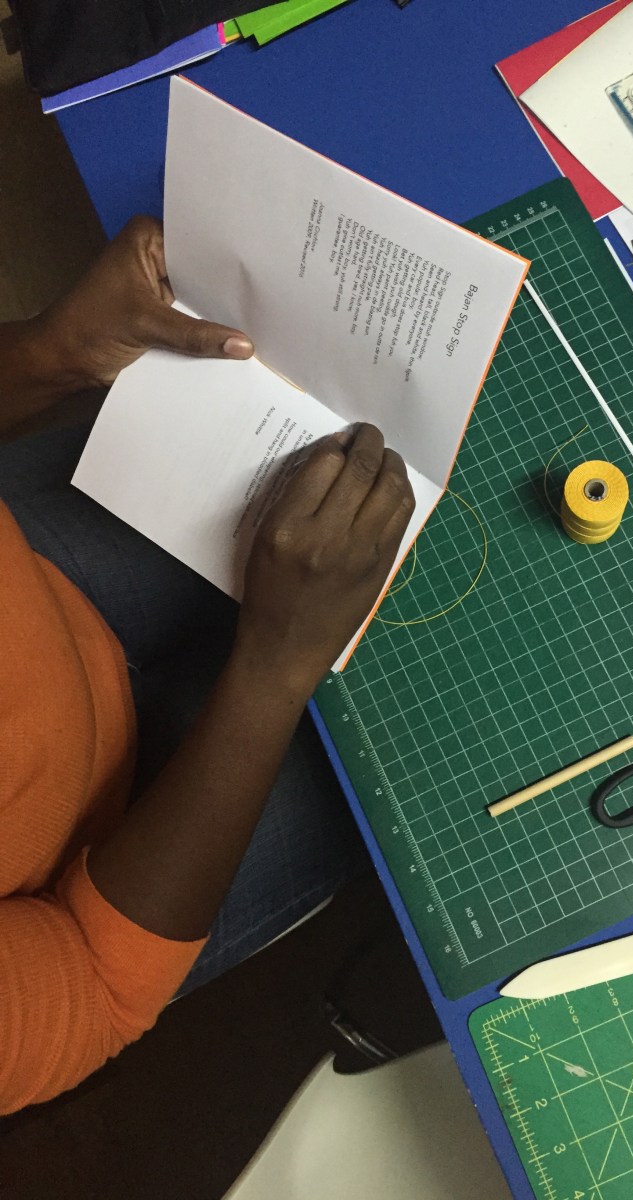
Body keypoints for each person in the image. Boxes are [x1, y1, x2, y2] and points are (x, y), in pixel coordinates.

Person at [0, 216, 414, 1115]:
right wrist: (275, 665)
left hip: (34, 574)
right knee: (421, 737)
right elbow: (95, 986)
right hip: (107, 875)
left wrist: (47, 354)